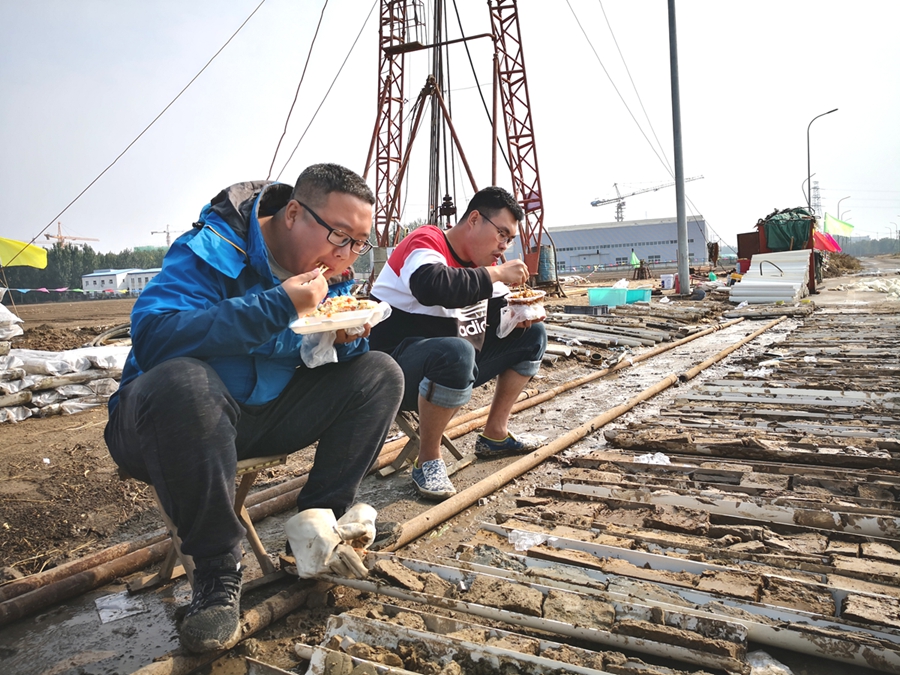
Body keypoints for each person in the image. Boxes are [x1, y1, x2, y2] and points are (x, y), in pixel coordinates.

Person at [104, 164, 403, 654]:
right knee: (185, 381)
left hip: (256, 418)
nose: (346, 256)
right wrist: (278, 305)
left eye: (358, 244)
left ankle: (315, 532)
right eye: (339, 236)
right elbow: (156, 336)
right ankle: (218, 575)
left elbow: (321, 346)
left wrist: (347, 338)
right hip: (164, 424)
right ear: (292, 213)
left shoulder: (335, 274)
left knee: (380, 373)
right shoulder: (215, 248)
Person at [369, 186, 547, 501]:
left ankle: (494, 434)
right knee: (457, 352)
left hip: (451, 369)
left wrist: (517, 319)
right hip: (393, 371)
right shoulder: (427, 241)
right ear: (475, 219)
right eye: (501, 234)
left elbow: (497, 314)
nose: (503, 247)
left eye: (509, 240)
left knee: (533, 335)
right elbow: (432, 286)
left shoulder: (480, 266)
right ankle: (427, 459)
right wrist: (495, 273)